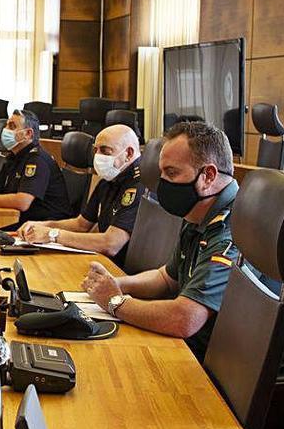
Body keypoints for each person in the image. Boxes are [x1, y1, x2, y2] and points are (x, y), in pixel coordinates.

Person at [81, 122, 239, 361]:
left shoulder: (232, 229)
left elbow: (185, 318)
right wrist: (114, 284)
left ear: (208, 176)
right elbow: (166, 278)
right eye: (161, 172)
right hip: (196, 347)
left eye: (172, 173)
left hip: (222, 363)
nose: (162, 182)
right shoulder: (198, 212)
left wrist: (115, 301)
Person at [19, 124, 144, 266]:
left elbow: (111, 244)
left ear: (128, 153)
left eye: (105, 150)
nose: (97, 156)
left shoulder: (138, 185)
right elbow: (81, 224)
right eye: (95, 150)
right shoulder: (109, 180)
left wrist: (52, 235)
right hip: (100, 262)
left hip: (120, 272)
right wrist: (42, 225)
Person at [0, 109, 74, 229]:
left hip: (45, 227)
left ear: (28, 134)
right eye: (6, 125)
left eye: (12, 126)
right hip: (23, 222)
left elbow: (22, 202)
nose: (5, 130)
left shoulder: (37, 160)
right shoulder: (14, 157)